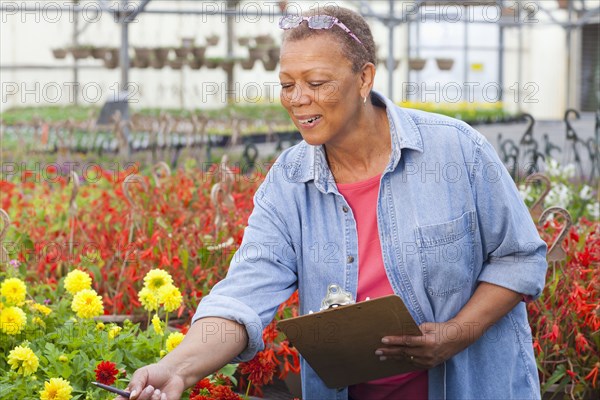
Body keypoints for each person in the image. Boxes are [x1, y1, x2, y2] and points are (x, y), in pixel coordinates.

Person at [117, 6, 547, 400]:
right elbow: (243, 296)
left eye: (316, 83)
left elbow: (520, 258)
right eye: (287, 85)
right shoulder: (288, 184)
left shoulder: (456, 150)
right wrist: (176, 368)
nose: (298, 98)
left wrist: (454, 334)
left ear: (364, 78)